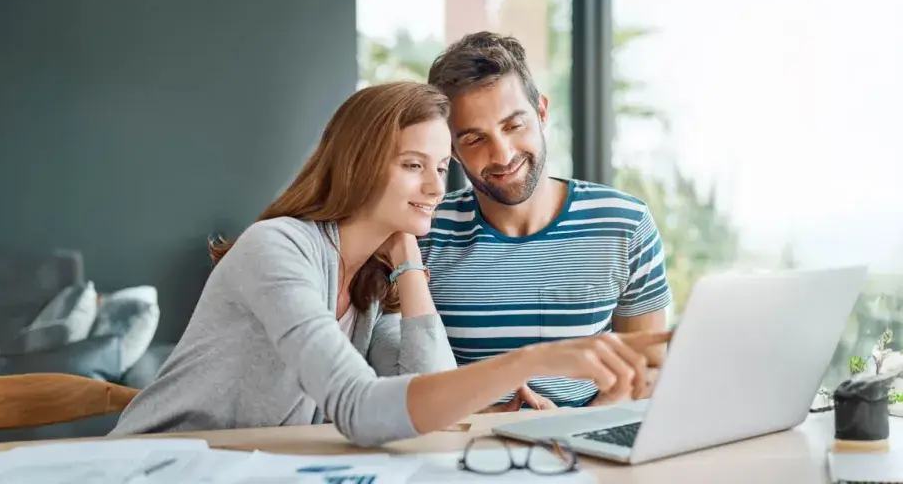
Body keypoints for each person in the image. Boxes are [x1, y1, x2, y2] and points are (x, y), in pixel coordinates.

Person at [110, 81, 671, 447]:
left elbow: (430, 399)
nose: (435, 186)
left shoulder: (373, 283)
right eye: (412, 165)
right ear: (356, 165)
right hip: (147, 472)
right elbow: (360, 408)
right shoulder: (276, 248)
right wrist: (530, 360)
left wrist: (406, 256)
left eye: (442, 167)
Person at [423, 32, 673, 412]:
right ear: (452, 150)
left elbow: (650, 368)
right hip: (464, 450)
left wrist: (572, 429)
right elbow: (401, 379)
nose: (502, 155)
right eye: (475, 139)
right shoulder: (425, 233)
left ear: (541, 112)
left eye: (513, 125)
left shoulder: (625, 223)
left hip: (586, 449)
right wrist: (486, 419)